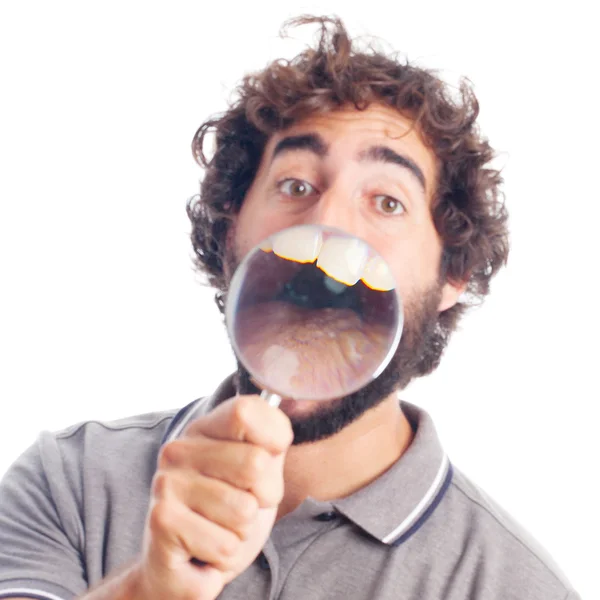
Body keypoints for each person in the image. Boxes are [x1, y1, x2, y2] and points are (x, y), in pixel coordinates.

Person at [0, 14, 581, 600]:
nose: (328, 223)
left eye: (386, 200)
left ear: (453, 272)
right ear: (231, 230)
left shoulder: (511, 586)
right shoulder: (69, 481)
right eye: (296, 185)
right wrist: (151, 589)